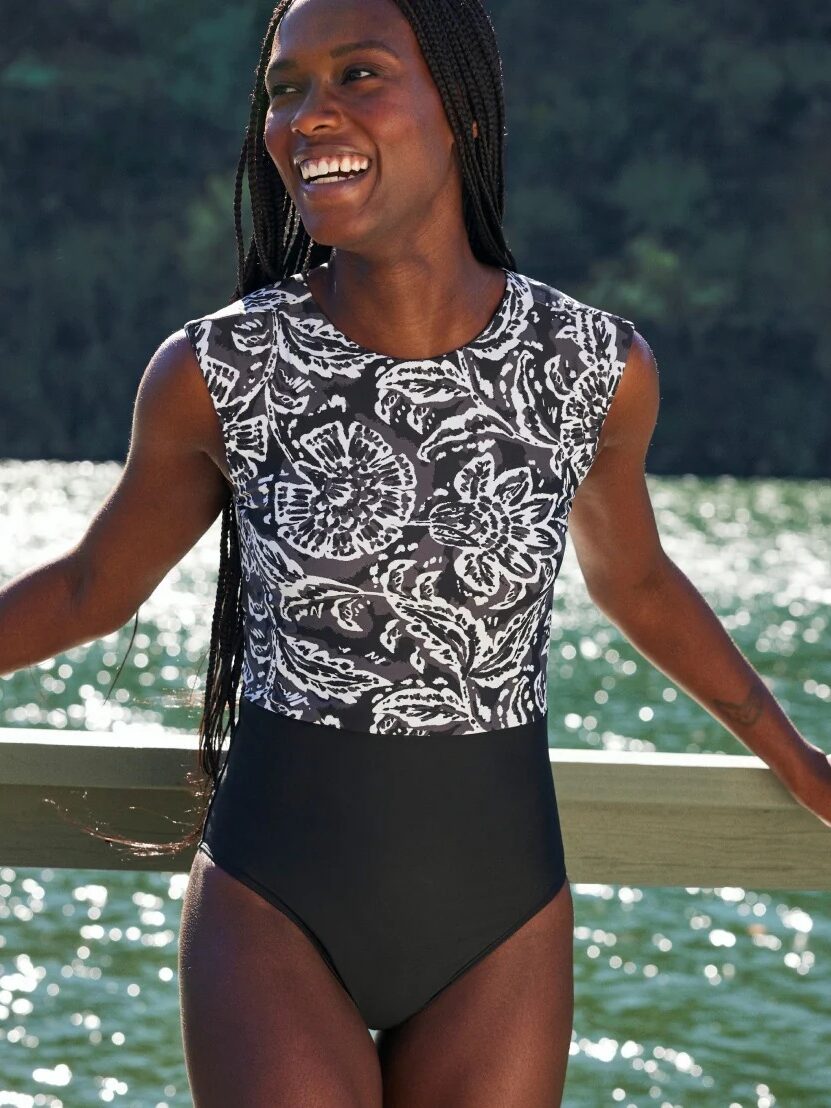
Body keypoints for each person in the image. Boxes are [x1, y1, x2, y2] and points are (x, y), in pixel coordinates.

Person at [2, 0, 830, 1104]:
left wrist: (799, 759)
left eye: (357, 74)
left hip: (502, 917)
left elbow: (633, 579)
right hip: (273, 910)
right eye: (286, 87)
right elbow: (92, 588)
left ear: (466, 116)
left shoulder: (591, 367)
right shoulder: (220, 370)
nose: (309, 115)